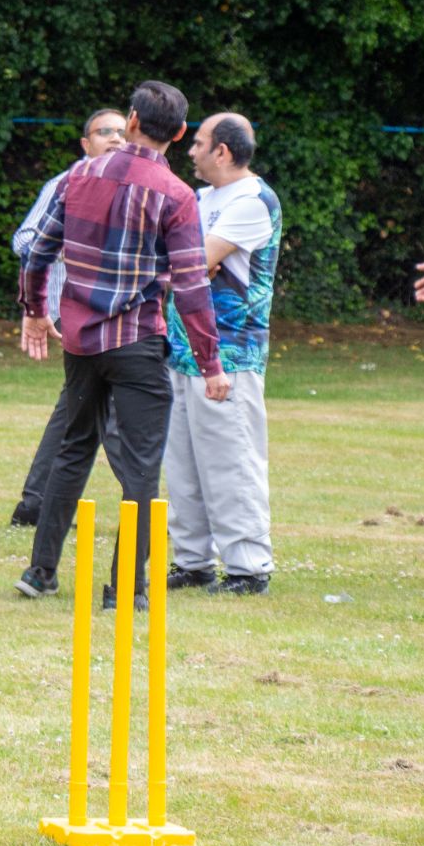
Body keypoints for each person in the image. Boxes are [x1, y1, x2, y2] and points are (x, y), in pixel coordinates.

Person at [16, 79, 230, 607]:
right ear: (179, 134)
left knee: (72, 451)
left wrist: (34, 311)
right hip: (136, 342)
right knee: (139, 469)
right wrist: (211, 364)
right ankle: (125, 588)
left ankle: (41, 572)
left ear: (131, 121)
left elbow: (38, 251)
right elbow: (190, 286)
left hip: (82, 343)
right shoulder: (177, 196)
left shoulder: (78, 174)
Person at [163, 112, 282, 595]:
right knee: (183, 462)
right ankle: (192, 562)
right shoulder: (200, 198)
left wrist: (189, 263)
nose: (190, 151)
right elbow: (183, 261)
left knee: (231, 460)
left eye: (199, 143)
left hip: (229, 354)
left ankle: (249, 568)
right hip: (180, 348)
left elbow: (193, 261)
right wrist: (188, 263)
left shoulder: (255, 199)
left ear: (223, 152)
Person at [9, 108, 129, 528]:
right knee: (114, 407)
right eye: (104, 132)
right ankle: (144, 503)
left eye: (121, 132)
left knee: (78, 406)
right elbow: (25, 239)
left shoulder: (130, 186)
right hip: (78, 315)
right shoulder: (66, 182)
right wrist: (67, 245)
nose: (115, 138)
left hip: (114, 313)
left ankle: (36, 503)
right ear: (86, 143)